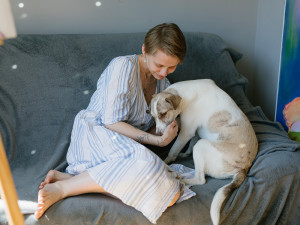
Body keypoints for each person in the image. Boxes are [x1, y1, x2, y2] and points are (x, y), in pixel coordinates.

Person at [35, 23, 195, 224]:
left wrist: (170, 125)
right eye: (159, 65)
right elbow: (112, 122)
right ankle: (61, 188)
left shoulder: (164, 85)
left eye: (171, 66)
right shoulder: (123, 67)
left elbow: (155, 120)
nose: (163, 72)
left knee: (169, 194)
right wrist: (159, 141)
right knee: (160, 184)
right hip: (98, 135)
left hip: (125, 148)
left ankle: (73, 180)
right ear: (145, 50)